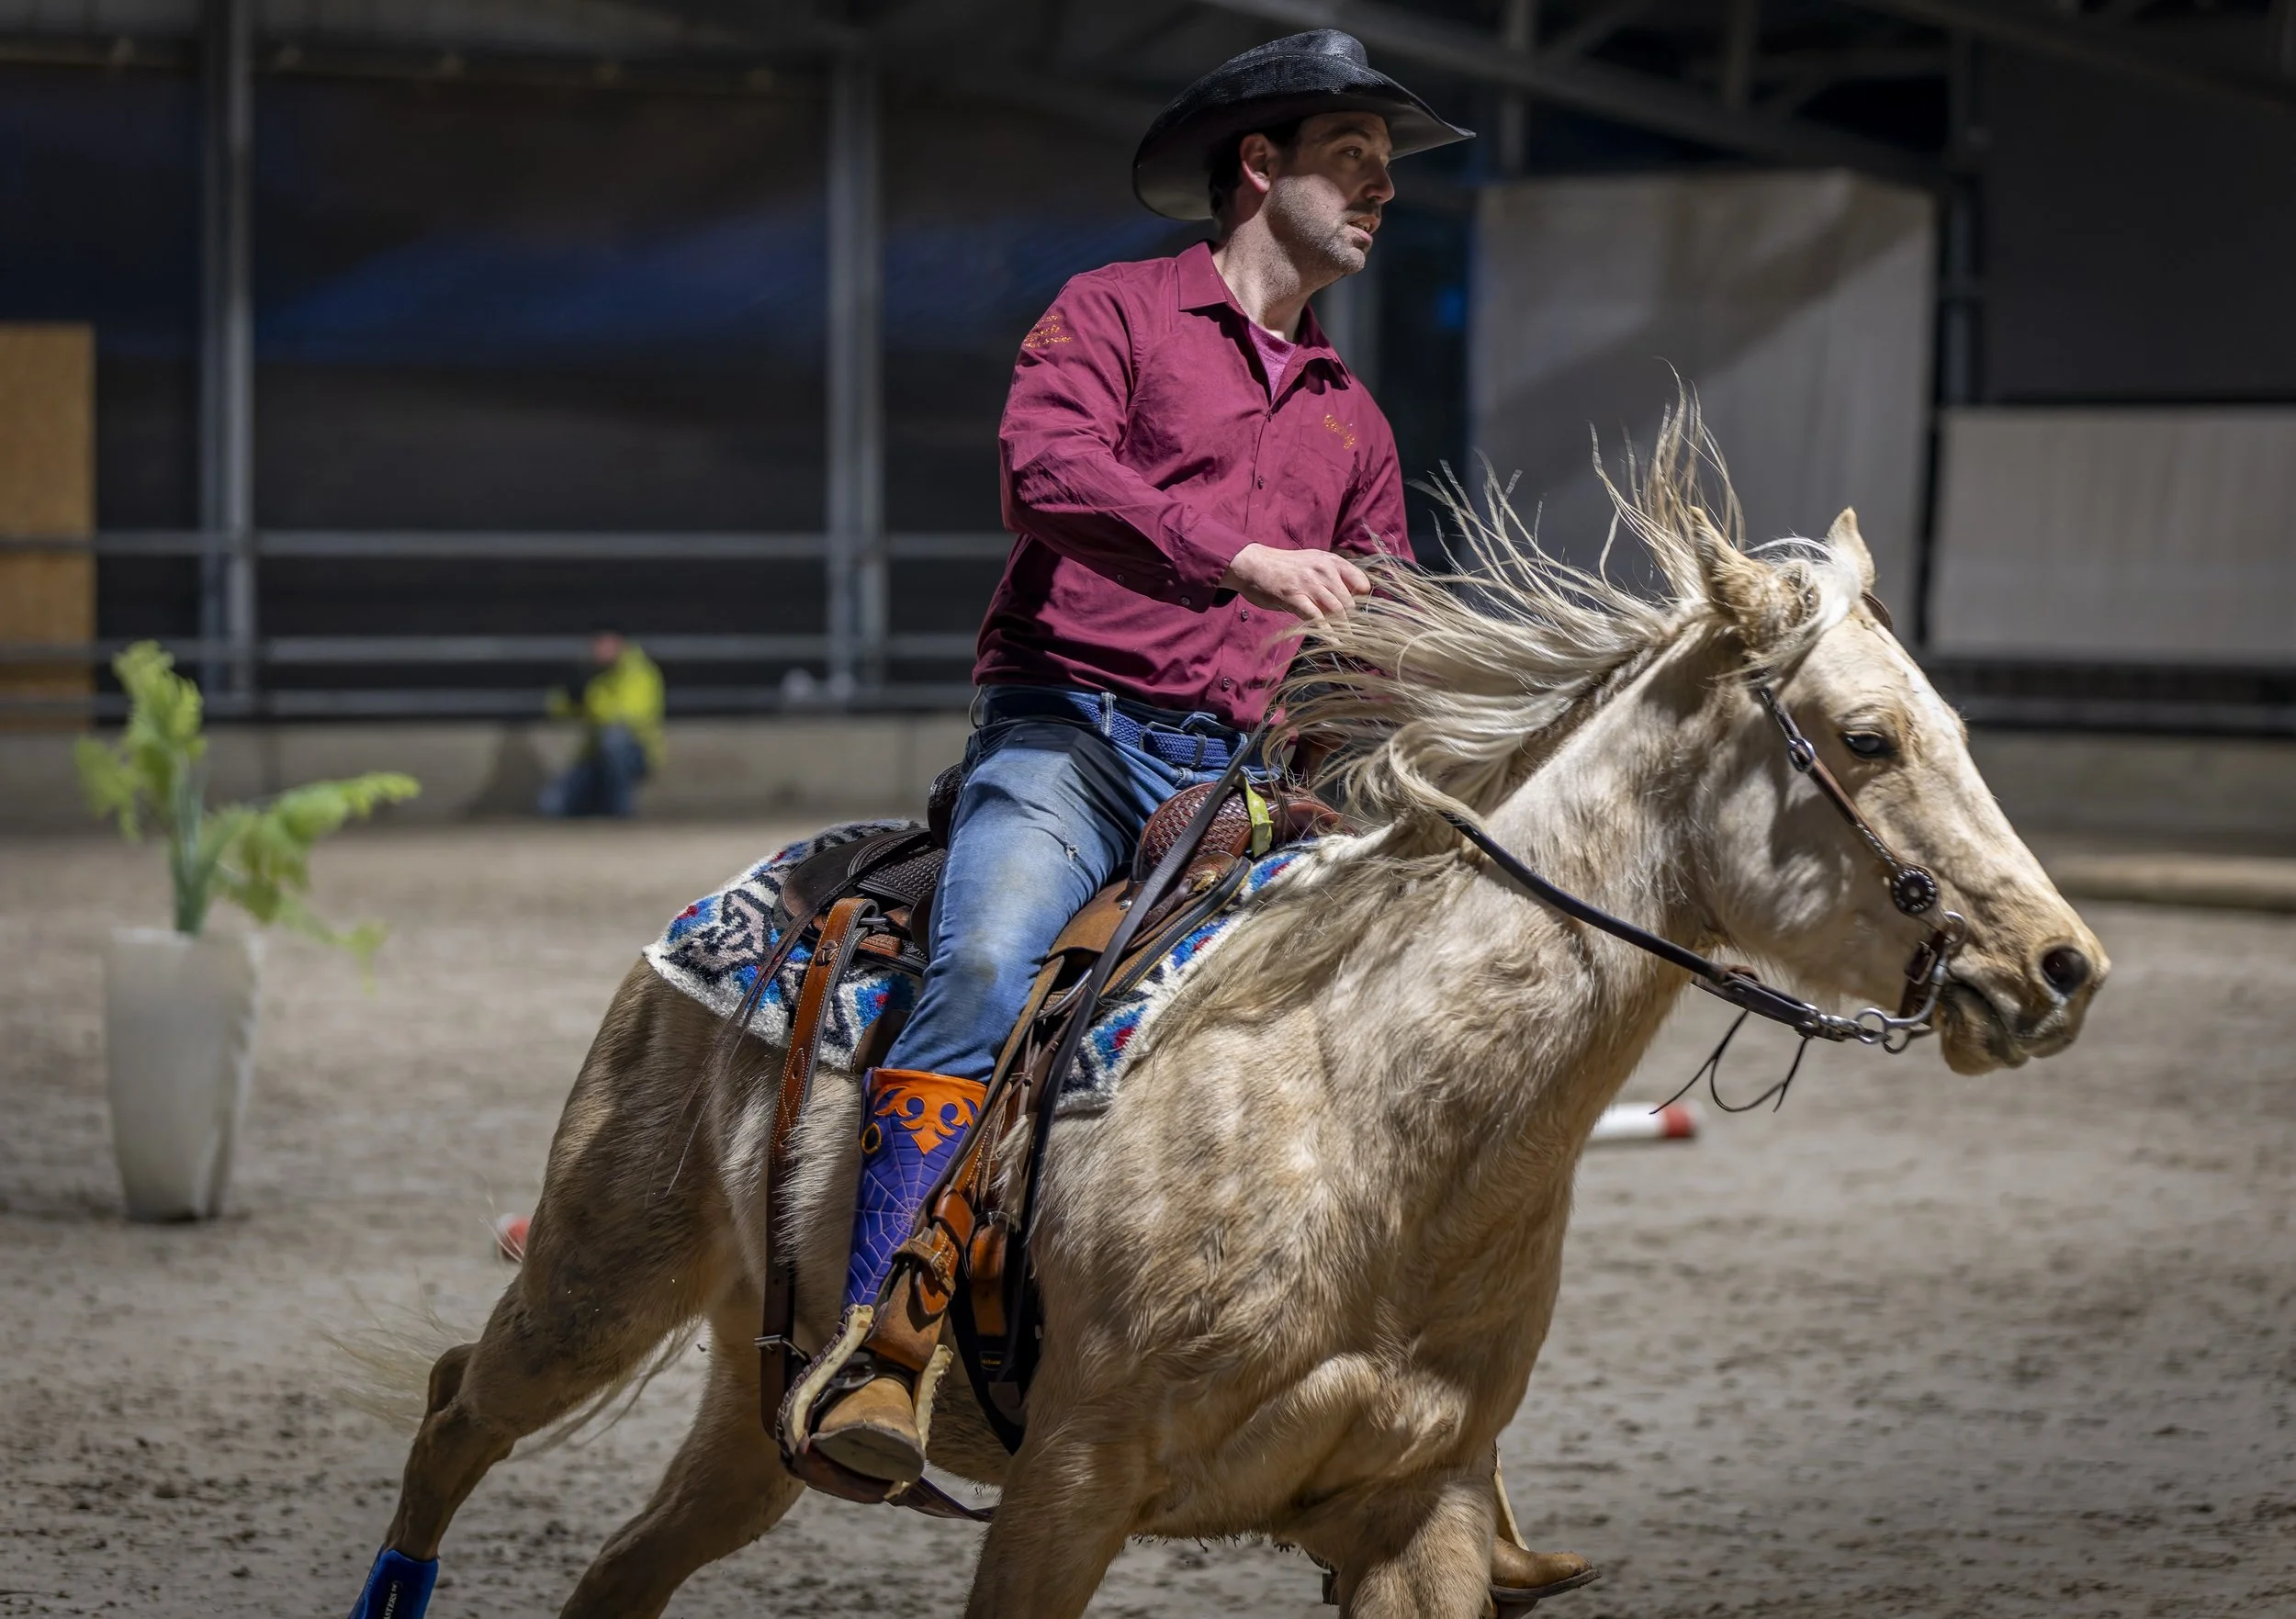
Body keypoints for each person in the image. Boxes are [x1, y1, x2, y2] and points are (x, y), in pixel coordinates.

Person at [809, 28, 1593, 1603]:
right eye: (1352, 161)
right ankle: (881, 1343)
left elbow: (1381, 622)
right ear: (1259, 167)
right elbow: (1043, 469)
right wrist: (1240, 558)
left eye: (1386, 171)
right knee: (987, 959)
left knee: (1392, 1022)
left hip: (1235, 777)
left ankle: (1442, 1446)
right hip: (1068, 735)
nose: (1379, 190)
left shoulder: (1351, 417)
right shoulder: (1112, 314)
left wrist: (1440, 720)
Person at [538, 630, 663, 818]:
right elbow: (556, 712)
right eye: (597, 644)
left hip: (635, 753)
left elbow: (628, 717)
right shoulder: (591, 672)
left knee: (614, 741)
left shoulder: (640, 672)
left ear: (621, 643)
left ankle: (620, 812)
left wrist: (590, 697)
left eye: (606, 643)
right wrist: (570, 696)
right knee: (550, 804)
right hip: (595, 757)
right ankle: (598, 807)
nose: (600, 650)